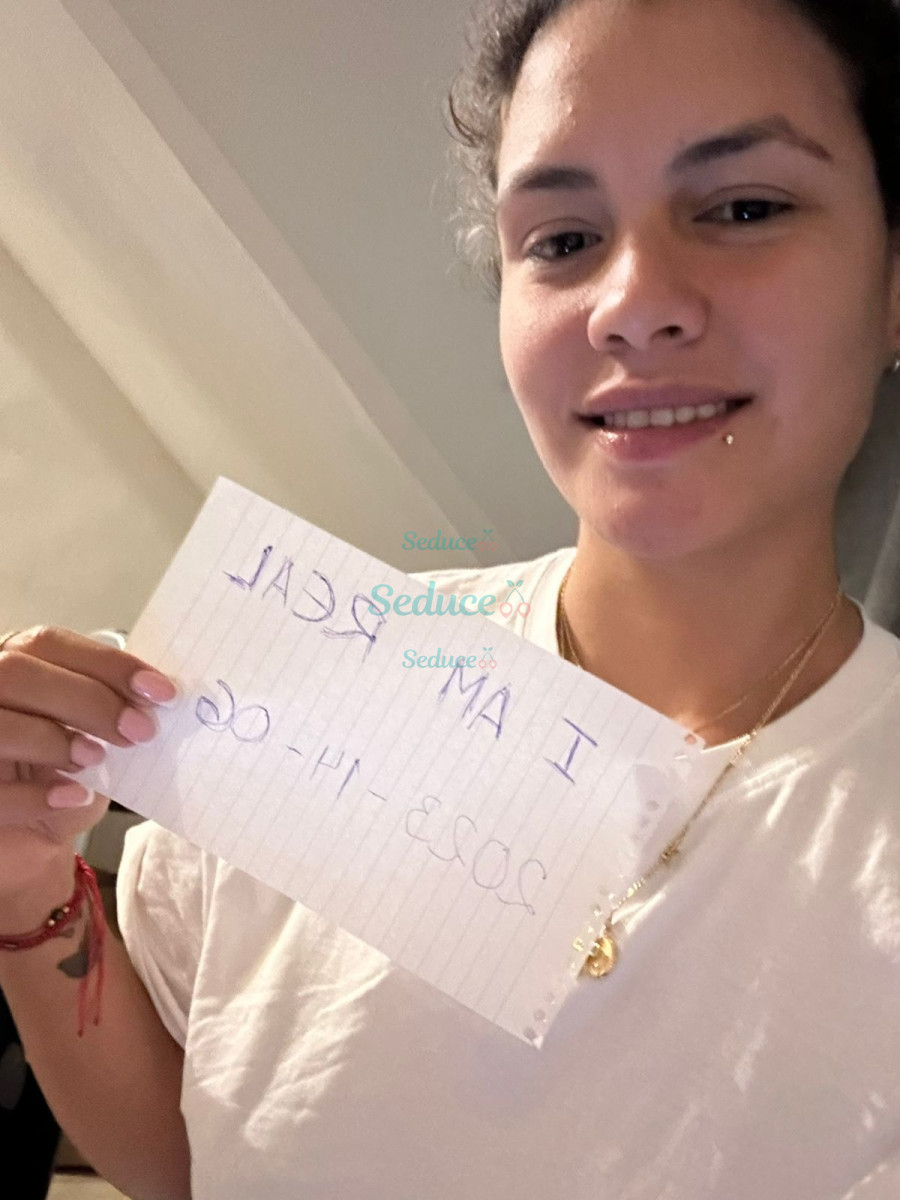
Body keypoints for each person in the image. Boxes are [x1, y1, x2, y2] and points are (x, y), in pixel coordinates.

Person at [1, 0, 900, 1195]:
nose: (632, 301)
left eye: (745, 208)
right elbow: (187, 1153)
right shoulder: (308, 693)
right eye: (563, 238)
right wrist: (29, 892)